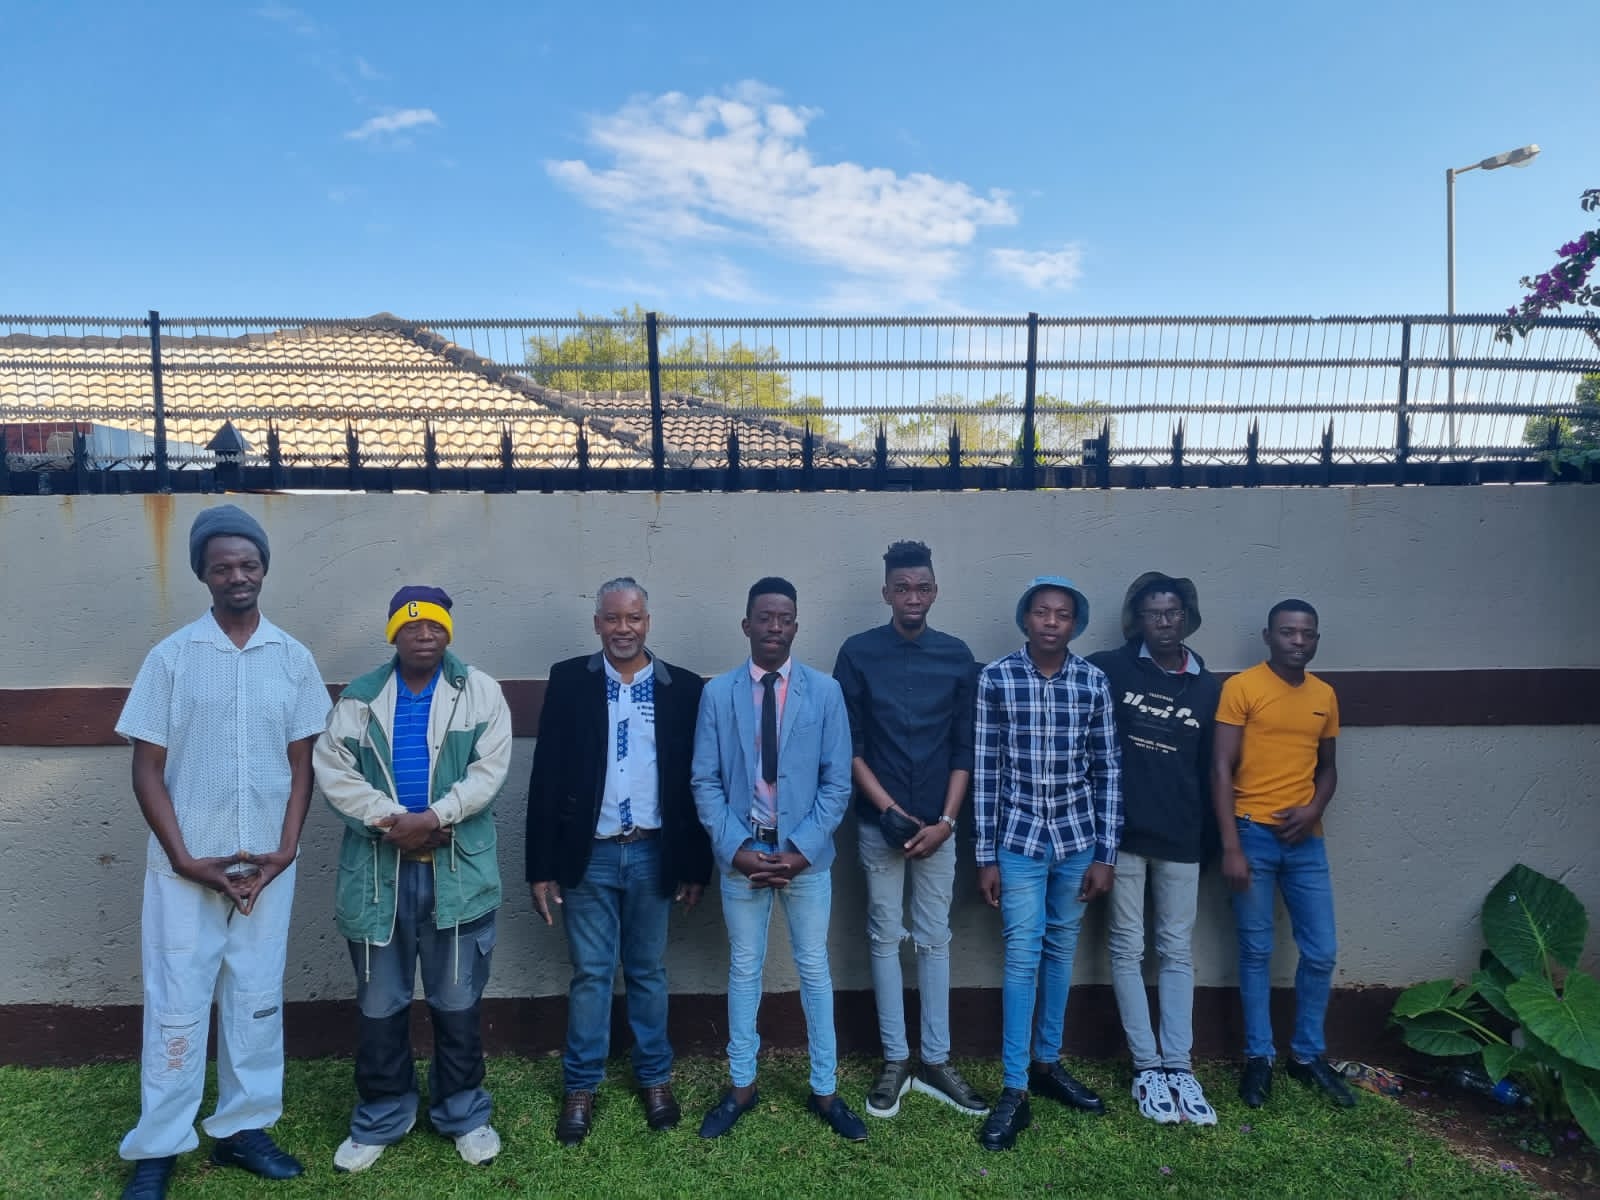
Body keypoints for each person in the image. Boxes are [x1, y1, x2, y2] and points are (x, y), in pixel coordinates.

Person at [114, 505, 329, 1200]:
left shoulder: (293, 659)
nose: (238, 576)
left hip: (267, 870)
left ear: (264, 568)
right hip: (184, 872)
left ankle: (243, 1128)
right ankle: (160, 1145)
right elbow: (147, 769)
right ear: (203, 575)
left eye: (248, 564)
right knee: (176, 1005)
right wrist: (183, 858)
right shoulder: (171, 658)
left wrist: (286, 851)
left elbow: (302, 766)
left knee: (256, 999)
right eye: (222, 567)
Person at [314, 586, 514, 1173]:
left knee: (457, 1001)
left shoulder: (480, 692)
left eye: (433, 626)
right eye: (410, 626)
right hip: (380, 880)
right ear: (393, 635)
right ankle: (382, 1115)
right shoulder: (360, 699)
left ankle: (463, 1114)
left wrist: (434, 817)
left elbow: (488, 771)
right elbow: (335, 772)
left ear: (447, 631)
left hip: (457, 877)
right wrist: (394, 822)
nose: (423, 635)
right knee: (380, 1003)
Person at [526, 577, 710, 1145]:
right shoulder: (569, 681)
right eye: (612, 618)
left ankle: (655, 1078)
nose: (622, 628)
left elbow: (694, 782)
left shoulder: (682, 688)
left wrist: (694, 866)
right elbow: (546, 776)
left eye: (633, 618)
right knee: (592, 973)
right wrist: (540, 867)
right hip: (591, 855)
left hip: (654, 852)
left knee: (648, 970)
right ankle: (581, 1085)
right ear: (597, 624)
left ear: (647, 622)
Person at [691, 577, 866, 1142]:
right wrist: (736, 849)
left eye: (784, 618)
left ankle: (825, 1089)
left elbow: (836, 784)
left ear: (796, 625)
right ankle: (742, 1084)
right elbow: (705, 781)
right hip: (743, 854)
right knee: (745, 969)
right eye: (764, 617)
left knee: (814, 968)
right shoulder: (719, 694)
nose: (774, 627)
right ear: (747, 625)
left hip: (804, 858)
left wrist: (799, 851)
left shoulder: (825, 692)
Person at [832, 540, 987, 1120]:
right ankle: (895, 1058)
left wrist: (946, 822)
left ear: (935, 591)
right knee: (882, 935)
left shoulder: (957, 655)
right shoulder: (858, 653)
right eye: (902, 588)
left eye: (922, 587)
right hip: (880, 825)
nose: (912, 597)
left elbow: (965, 747)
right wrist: (888, 809)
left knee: (934, 937)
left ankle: (937, 1059)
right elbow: (849, 744)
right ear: (887, 593)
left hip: (940, 826)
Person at [973, 575, 1122, 1152]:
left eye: (1062, 614)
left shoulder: (1092, 682)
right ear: (1025, 619)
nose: (1052, 621)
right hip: (1018, 840)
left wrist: (1105, 853)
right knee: (1022, 953)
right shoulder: (996, 678)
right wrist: (985, 855)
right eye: (1041, 612)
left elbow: (1107, 769)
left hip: (1077, 838)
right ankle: (1014, 1087)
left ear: (1075, 623)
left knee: (1061, 949)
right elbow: (987, 772)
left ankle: (1047, 1062)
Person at [1087, 573, 1221, 1125]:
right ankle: (1146, 1067)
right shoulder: (1110, 669)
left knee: (1176, 951)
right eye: (1153, 613)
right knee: (1126, 948)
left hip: (1183, 838)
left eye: (1172, 613)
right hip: (1123, 837)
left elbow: (1213, 770)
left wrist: (1214, 844)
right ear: (1136, 620)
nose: (1164, 622)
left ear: (1187, 617)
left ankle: (1179, 1067)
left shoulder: (1208, 686)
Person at [1213, 598, 1354, 1109]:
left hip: (1305, 840)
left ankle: (1306, 1055)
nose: (1298, 641)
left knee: (1321, 951)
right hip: (1251, 833)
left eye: (1307, 633)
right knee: (1255, 950)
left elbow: (1328, 768)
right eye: (1288, 632)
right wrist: (1230, 845)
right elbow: (1221, 768)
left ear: (1316, 639)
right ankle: (1259, 1057)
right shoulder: (1242, 687)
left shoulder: (1324, 695)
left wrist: (1314, 808)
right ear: (1268, 636)